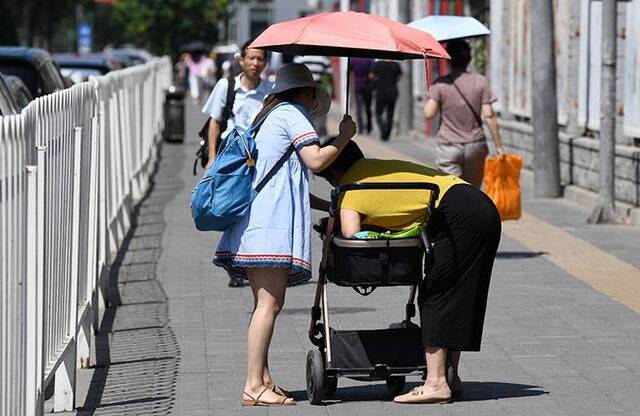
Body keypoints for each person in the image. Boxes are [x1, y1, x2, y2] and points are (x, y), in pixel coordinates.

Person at [213, 63, 357, 406]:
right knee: (269, 304)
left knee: (266, 304)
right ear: (304, 93)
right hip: (268, 228)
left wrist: (329, 204)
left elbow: (289, 185)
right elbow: (317, 161)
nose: (313, 102)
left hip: (258, 225)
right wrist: (345, 136)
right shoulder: (290, 113)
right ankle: (253, 385)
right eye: (312, 94)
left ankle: (262, 378)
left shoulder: (270, 115)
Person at [316, 140, 501, 404]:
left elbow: (351, 233)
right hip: (475, 203)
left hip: (458, 216)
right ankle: (451, 377)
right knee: (458, 295)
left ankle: (436, 383)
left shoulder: (350, 190)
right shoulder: (377, 169)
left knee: (436, 294)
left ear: (333, 174)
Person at [202, 39, 273, 287]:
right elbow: (214, 122)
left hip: (258, 160)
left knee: (252, 209)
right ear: (241, 60)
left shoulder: (270, 90)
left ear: (266, 63)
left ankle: (242, 259)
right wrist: (212, 157)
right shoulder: (226, 86)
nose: (255, 63)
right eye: (251, 58)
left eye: (260, 58)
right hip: (231, 159)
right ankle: (233, 260)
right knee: (231, 207)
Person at [424, 39, 505, 188]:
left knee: (450, 192)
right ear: (469, 59)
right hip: (475, 146)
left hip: (448, 146)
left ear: (448, 59)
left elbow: (429, 113)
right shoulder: (481, 81)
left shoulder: (440, 83)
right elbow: (489, 116)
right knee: (472, 193)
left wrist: (431, 94)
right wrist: (499, 147)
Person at [293, 54, 333, 137]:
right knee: (320, 114)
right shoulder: (323, 59)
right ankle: (319, 136)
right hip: (318, 90)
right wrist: (332, 88)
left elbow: (294, 74)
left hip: (302, 92)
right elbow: (329, 74)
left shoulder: (299, 58)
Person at [370, 59, 402, 141]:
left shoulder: (378, 64)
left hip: (380, 92)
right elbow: (400, 76)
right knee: (390, 114)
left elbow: (371, 75)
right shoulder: (396, 65)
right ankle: (386, 133)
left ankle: (383, 128)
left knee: (378, 113)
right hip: (392, 92)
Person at [350, 57, 374, 134]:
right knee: (368, 107)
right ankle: (369, 127)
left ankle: (360, 128)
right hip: (367, 86)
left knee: (359, 108)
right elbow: (372, 73)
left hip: (358, 85)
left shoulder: (354, 59)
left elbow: (350, 70)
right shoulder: (369, 60)